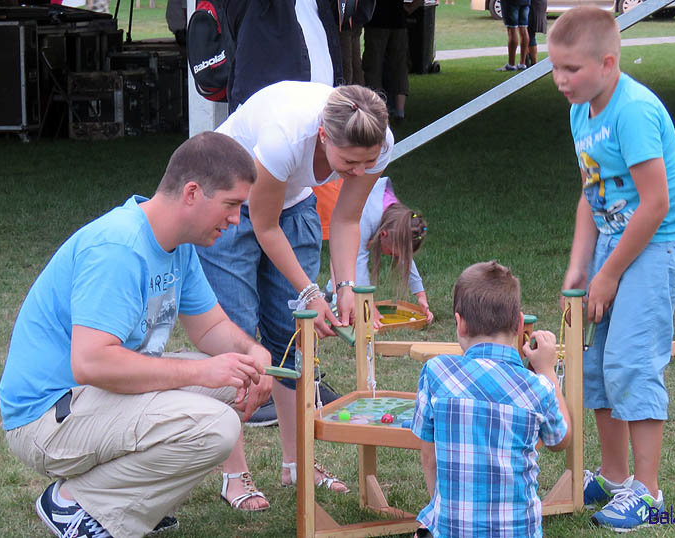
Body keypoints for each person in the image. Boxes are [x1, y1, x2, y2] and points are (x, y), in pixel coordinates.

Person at [0, 132, 275, 538]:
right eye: (231, 205)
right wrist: (201, 374)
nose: (236, 220)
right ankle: (76, 503)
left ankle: (130, 501)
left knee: (232, 381)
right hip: (45, 420)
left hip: (89, 400)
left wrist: (255, 355)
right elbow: (91, 362)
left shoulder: (178, 245)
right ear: (193, 193)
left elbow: (212, 328)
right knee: (214, 425)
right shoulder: (118, 248)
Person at [196, 81, 393, 495]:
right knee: (236, 335)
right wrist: (310, 292)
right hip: (232, 200)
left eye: (368, 162)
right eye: (349, 162)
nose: (359, 172)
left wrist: (346, 287)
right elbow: (264, 225)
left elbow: (345, 220)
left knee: (292, 337)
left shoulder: (377, 140)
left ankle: (297, 463)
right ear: (323, 135)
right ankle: (235, 474)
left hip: (293, 203)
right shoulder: (286, 134)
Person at [548, 7, 675, 532]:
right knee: (597, 364)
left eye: (572, 69)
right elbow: (592, 194)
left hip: (661, 241)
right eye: (555, 68)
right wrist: (579, 267)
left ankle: (648, 491)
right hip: (616, 236)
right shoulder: (580, 109)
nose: (560, 80)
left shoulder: (632, 111)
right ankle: (613, 477)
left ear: (608, 63)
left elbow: (655, 203)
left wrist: (607, 274)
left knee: (633, 358)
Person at [411, 261, 571, 538]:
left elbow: (429, 458)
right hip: (519, 532)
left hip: (452, 530)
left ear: (460, 324)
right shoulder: (537, 388)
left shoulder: (436, 373)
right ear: (520, 324)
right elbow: (561, 440)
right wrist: (547, 371)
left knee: (425, 529)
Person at [352, 176, 433, 325]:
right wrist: (367, 307)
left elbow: (405, 255)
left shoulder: (397, 221)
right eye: (393, 253)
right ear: (384, 234)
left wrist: (420, 295)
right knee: (346, 254)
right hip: (333, 200)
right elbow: (357, 261)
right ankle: (334, 296)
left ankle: (332, 292)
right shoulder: (367, 218)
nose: (393, 256)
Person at [363, 0, 420, 122]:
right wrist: (411, 7)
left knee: (374, 66)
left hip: (376, 21)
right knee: (399, 67)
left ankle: (378, 110)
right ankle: (400, 110)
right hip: (398, 21)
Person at [497, 0, 530, 71]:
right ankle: (522, 63)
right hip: (526, 1)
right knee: (523, 29)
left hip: (511, 3)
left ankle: (511, 64)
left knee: (512, 29)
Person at [525, 0, 547, 66]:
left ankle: (532, 62)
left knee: (529, 34)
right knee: (529, 34)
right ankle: (528, 60)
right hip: (536, 6)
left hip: (533, 7)